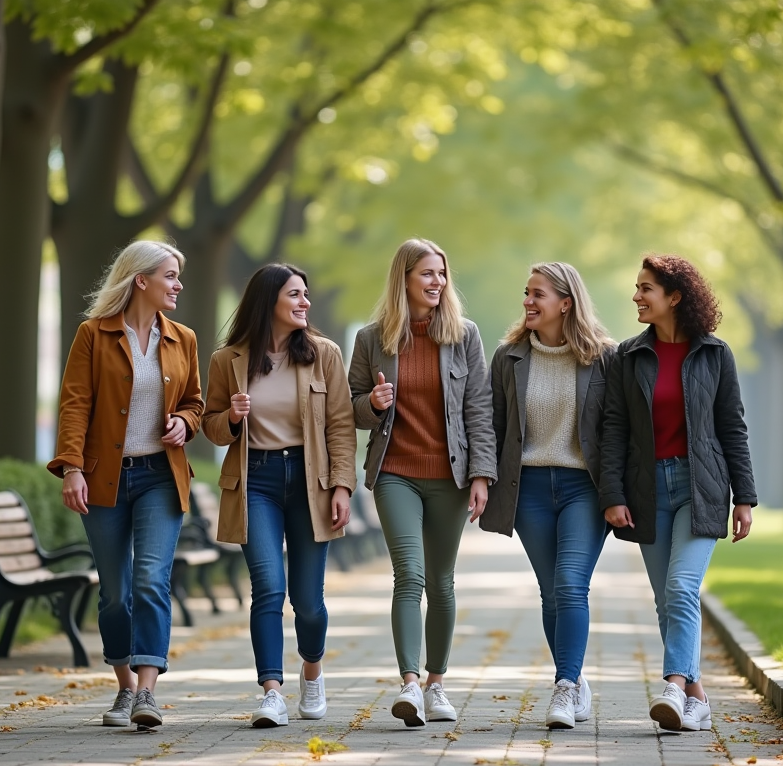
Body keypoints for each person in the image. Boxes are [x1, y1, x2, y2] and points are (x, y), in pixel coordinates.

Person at [48, 240, 204, 729]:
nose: (178, 285)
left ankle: (147, 693)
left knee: (151, 580)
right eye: (170, 276)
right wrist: (72, 468)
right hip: (105, 479)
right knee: (116, 592)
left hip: (161, 476)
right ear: (141, 280)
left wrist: (184, 422)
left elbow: (196, 402)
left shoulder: (183, 338)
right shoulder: (92, 335)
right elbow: (75, 403)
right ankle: (124, 688)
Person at [600, 254, 756, 733]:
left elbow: (732, 427)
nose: (636, 296)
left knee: (682, 587)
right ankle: (697, 697)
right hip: (647, 490)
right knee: (666, 601)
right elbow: (614, 428)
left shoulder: (715, 354)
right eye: (637, 287)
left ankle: (672, 686)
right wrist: (612, 493)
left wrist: (744, 497)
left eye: (646, 288)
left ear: (674, 297)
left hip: (700, 486)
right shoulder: (628, 356)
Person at [348, 237, 496, 728]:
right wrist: (373, 404)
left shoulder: (463, 335)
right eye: (427, 273)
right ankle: (410, 684)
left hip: (450, 476)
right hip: (395, 473)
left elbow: (478, 408)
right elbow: (350, 407)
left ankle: (437, 684)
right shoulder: (372, 339)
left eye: (441, 273)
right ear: (404, 279)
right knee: (409, 575)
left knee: (441, 582)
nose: (438, 282)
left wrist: (481, 474)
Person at [202, 264, 356, 728]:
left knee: (307, 600)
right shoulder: (228, 360)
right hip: (256, 481)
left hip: (310, 481)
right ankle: (271, 691)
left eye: (306, 294)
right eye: (295, 294)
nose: (305, 302)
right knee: (268, 587)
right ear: (268, 300)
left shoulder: (324, 355)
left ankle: (312, 671)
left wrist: (342, 486)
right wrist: (231, 417)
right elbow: (211, 427)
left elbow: (341, 426)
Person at [480, 262, 616, 729]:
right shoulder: (509, 357)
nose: (528, 301)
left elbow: (616, 432)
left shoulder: (604, 358)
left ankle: (564, 685)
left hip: (584, 488)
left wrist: (618, 493)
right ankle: (574, 679)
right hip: (530, 490)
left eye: (538, 294)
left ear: (566, 303)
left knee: (570, 583)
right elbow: (492, 427)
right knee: (551, 592)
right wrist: (483, 480)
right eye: (527, 292)